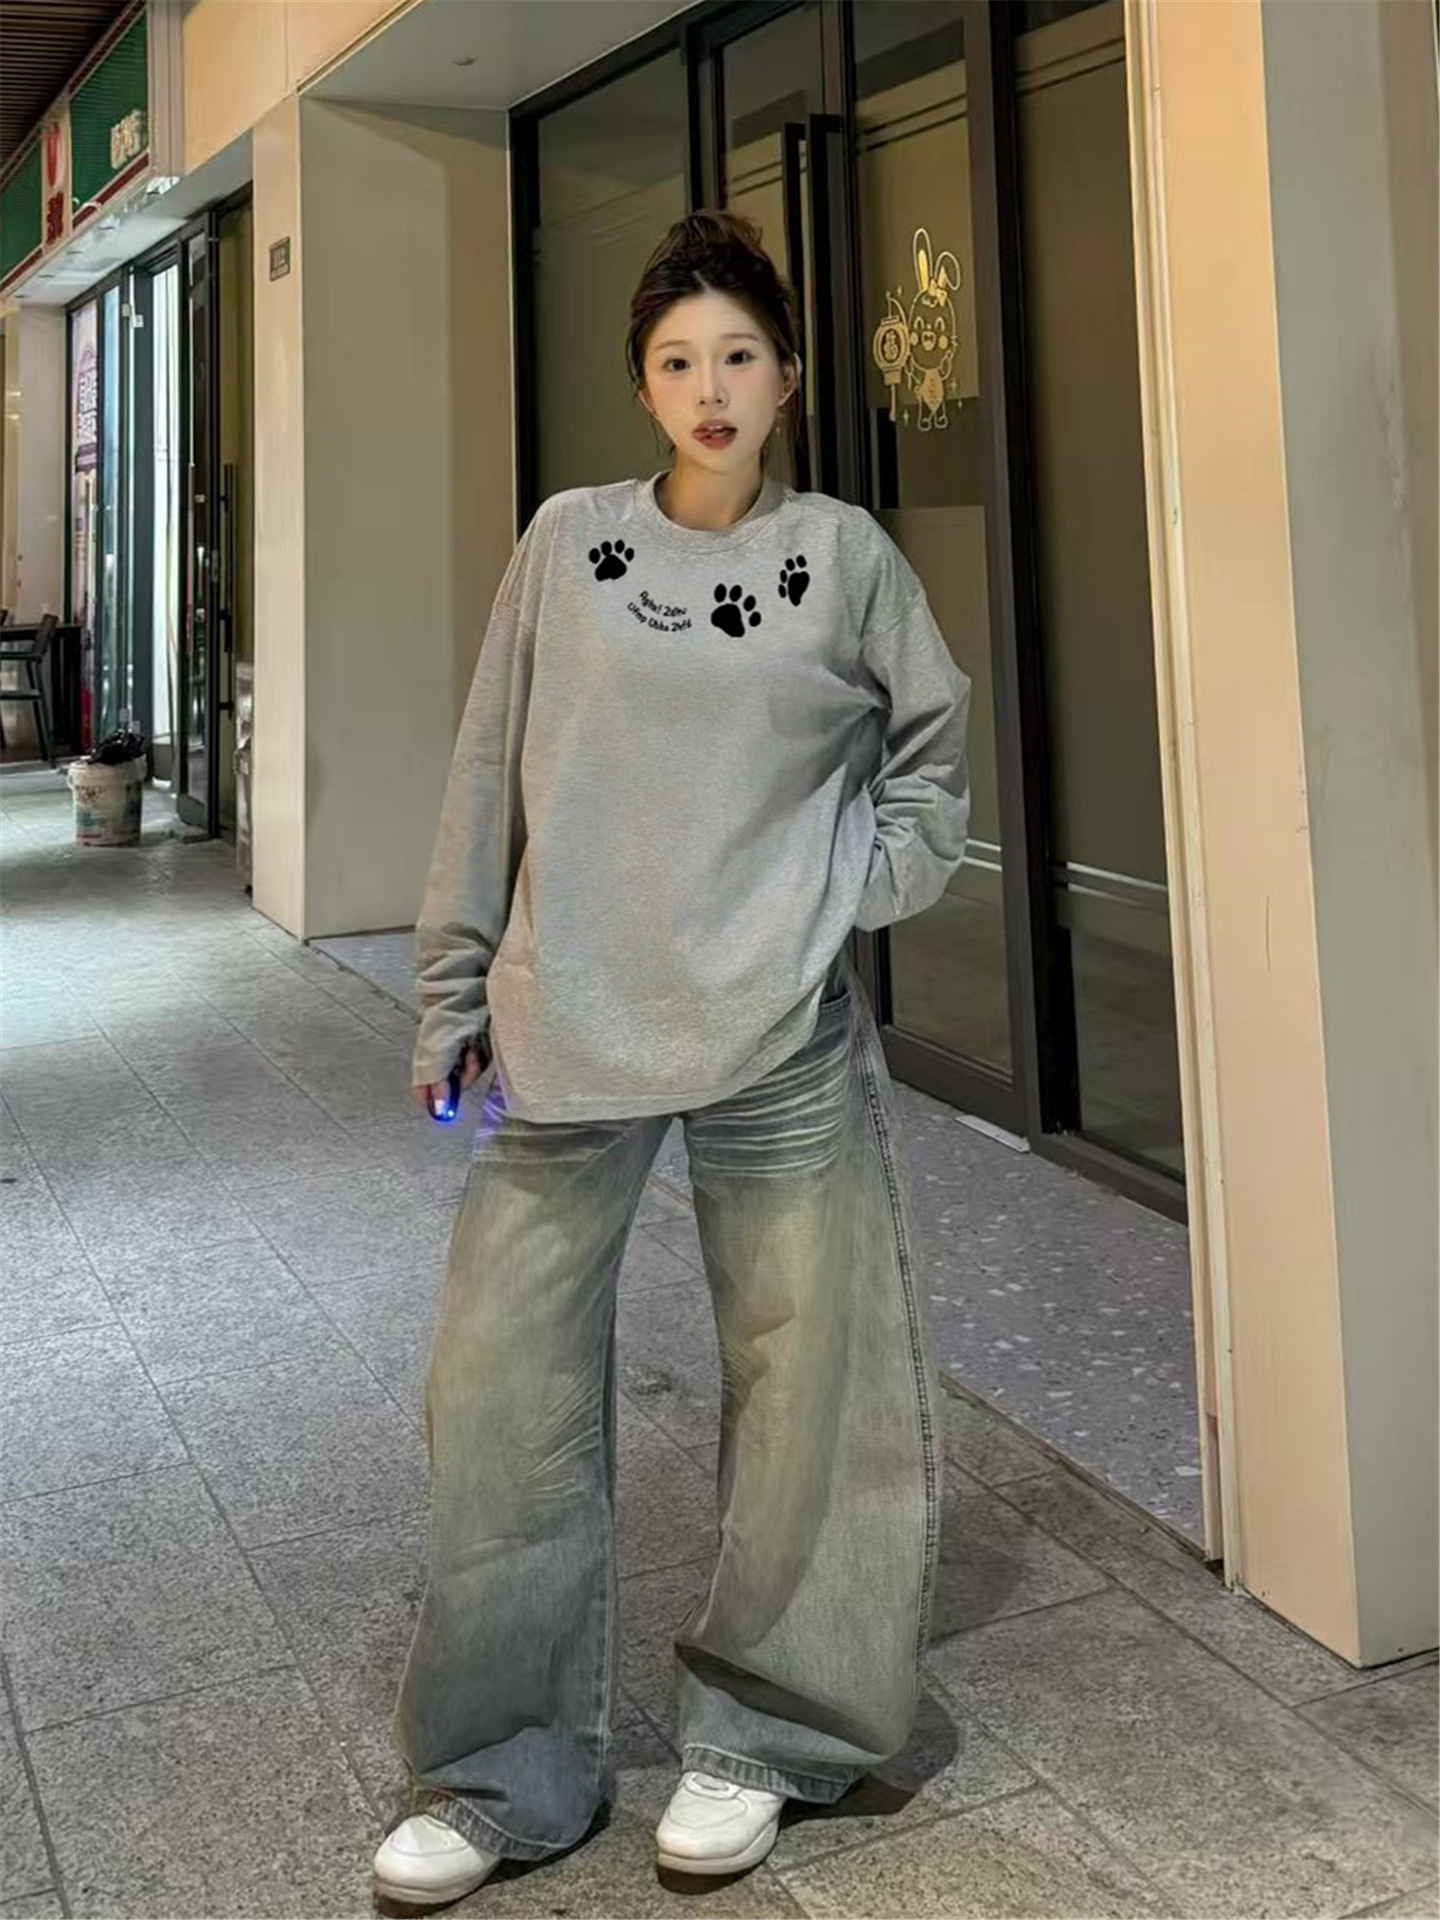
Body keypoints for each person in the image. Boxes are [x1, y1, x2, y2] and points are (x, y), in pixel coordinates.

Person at [373, 209, 973, 1907]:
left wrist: (845, 890)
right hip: (568, 1031)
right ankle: (501, 1769)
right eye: (677, 361)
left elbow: (933, 759)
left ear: (786, 376)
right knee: (497, 1394)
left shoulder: (846, 557)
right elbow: (487, 763)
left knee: (810, 1385)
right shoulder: (568, 543)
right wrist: (450, 990)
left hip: (778, 1037)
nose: (710, 388)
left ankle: (771, 1731)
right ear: (643, 385)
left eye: (739, 357)